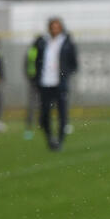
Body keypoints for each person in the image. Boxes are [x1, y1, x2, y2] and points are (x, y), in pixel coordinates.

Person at [29, 18, 78, 151]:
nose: (54, 29)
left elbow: (74, 63)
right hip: (45, 82)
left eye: (57, 27)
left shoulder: (67, 42)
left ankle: (60, 140)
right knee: (44, 114)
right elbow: (36, 60)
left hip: (60, 83)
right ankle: (50, 138)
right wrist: (36, 76)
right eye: (52, 27)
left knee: (62, 113)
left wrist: (64, 74)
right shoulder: (43, 42)